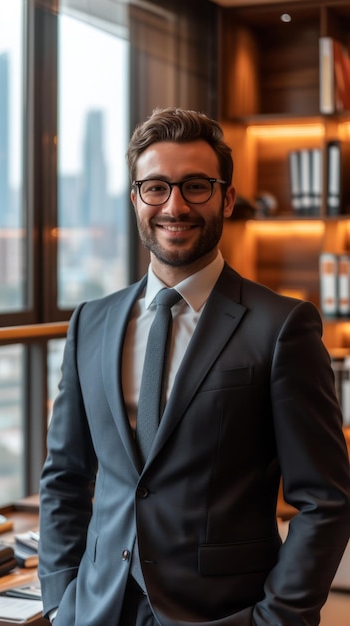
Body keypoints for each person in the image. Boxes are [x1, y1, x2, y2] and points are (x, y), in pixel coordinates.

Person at [38, 107, 350, 626]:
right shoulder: (90, 323)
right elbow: (65, 478)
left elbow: (325, 500)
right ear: (136, 198)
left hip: (225, 614)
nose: (175, 206)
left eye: (196, 186)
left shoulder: (282, 326)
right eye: (155, 187)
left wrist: (277, 618)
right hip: (95, 609)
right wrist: (59, 599)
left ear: (226, 197)